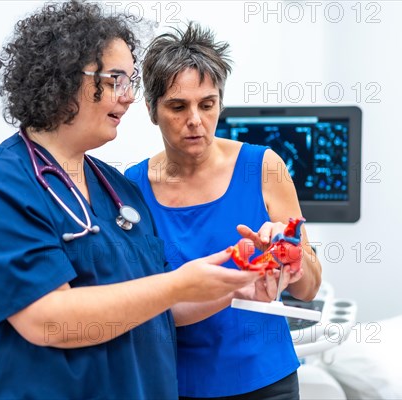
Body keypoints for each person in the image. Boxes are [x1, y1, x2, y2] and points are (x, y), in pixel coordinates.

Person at [0, 3, 262, 399]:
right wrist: (177, 284)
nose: (129, 98)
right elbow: (48, 320)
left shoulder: (118, 190)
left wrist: (232, 284)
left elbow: (164, 307)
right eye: (116, 80)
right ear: (62, 79)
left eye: (129, 82)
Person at [125, 23, 322, 399]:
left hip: (265, 380)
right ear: (152, 110)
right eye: (178, 106)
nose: (195, 120)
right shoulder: (131, 188)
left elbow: (309, 286)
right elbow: (140, 306)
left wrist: (290, 255)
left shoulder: (263, 168)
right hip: (175, 383)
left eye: (207, 104)